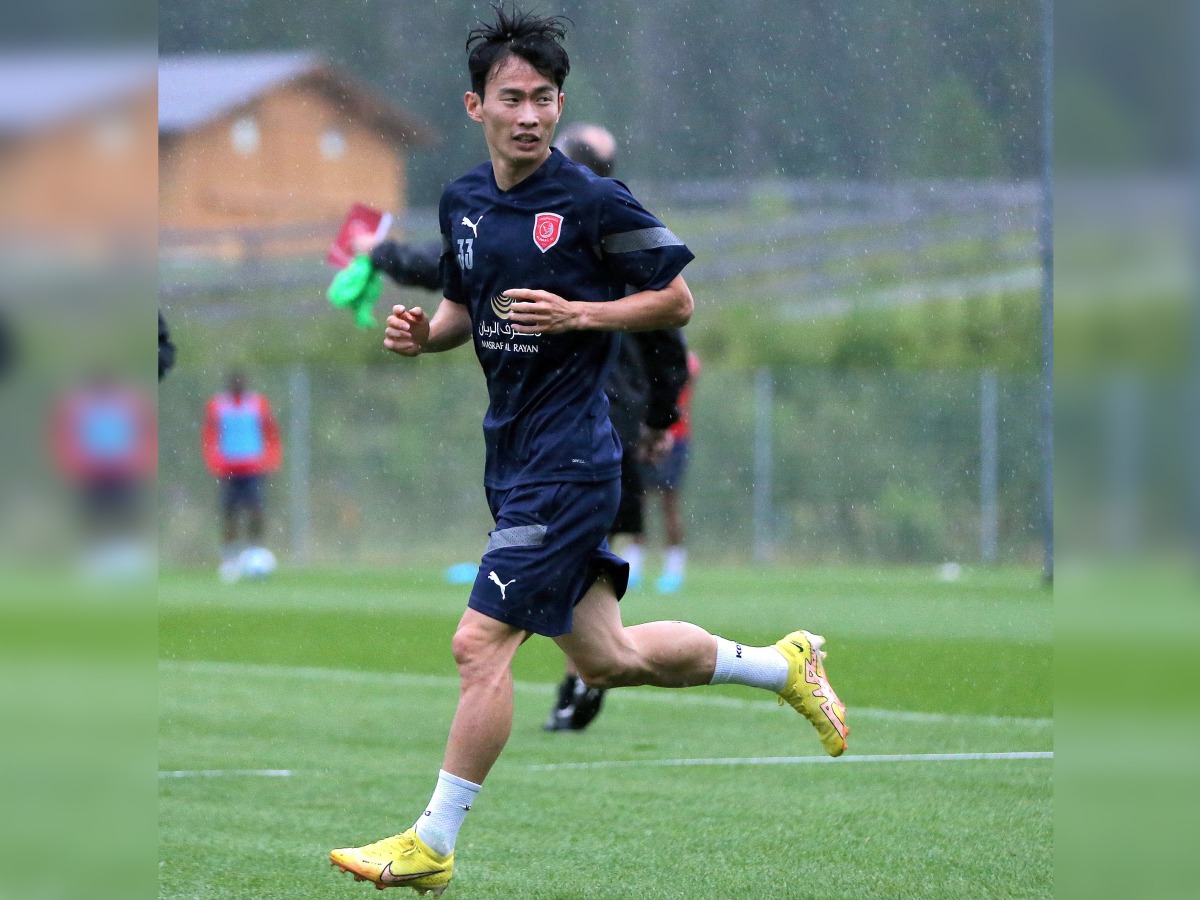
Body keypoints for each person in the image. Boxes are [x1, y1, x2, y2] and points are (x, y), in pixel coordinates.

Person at [328, 6, 848, 894]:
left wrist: (583, 314)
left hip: (572, 461)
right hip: (515, 458)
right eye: (511, 98)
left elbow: (676, 301)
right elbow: (464, 310)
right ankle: (781, 664)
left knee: (478, 646)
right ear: (475, 106)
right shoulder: (462, 203)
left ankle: (433, 841)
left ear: (560, 105)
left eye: (544, 99)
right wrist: (426, 336)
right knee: (609, 660)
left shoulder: (592, 201)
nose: (529, 115)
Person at [201, 370, 282, 582]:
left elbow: (270, 431)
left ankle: (255, 552)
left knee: (256, 509)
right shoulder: (218, 405)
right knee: (229, 512)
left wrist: (271, 458)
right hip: (228, 468)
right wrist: (213, 460)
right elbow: (210, 434)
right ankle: (229, 558)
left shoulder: (258, 403)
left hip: (253, 467)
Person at [642, 349, 700, 594]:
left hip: (675, 438)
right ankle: (633, 563)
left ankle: (674, 567)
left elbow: (689, 371)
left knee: (669, 502)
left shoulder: (685, 360)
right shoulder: (646, 354)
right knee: (637, 501)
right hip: (644, 436)